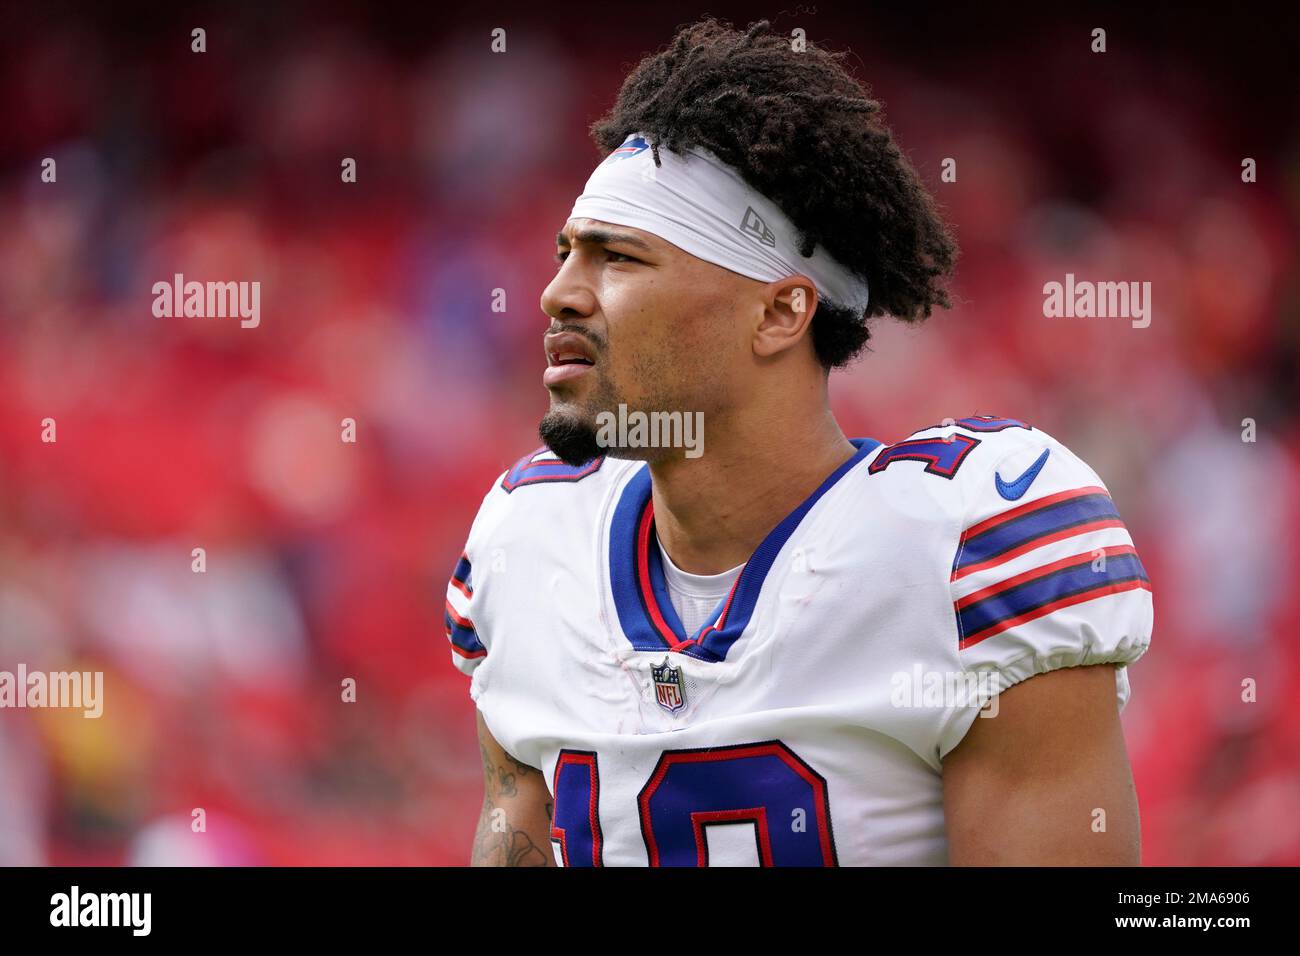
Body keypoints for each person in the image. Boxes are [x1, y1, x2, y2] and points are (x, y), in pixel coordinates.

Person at [444, 17, 1152, 866]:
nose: (559, 292)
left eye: (618, 259)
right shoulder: (528, 540)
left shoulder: (963, 546)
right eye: (566, 255)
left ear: (780, 312)